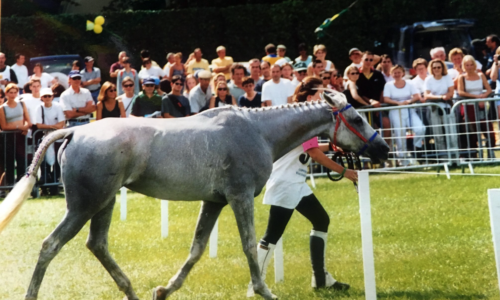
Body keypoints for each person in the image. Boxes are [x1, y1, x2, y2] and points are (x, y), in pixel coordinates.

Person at [250, 77, 354, 296]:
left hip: (295, 183)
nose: (324, 101)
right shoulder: (303, 120)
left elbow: (309, 147)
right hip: (286, 183)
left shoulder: (303, 119)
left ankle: (320, 278)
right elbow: (313, 153)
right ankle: (254, 287)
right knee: (271, 236)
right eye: (320, 96)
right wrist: (346, 173)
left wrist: (334, 146)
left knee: (321, 220)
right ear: (310, 98)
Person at [383, 65, 425, 166]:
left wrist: (408, 101)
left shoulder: (409, 83)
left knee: (420, 128)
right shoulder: (388, 85)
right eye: (395, 73)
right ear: (392, 74)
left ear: (403, 73)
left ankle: (415, 147)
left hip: (409, 110)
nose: (397, 74)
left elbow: (416, 96)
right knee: (400, 135)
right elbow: (386, 99)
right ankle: (403, 162)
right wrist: (398, 103)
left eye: (399, 72)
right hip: (395, 111)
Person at [457, 55, 494, 158]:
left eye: (471, 64)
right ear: (464, 66)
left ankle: (491, 153)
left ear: (474, 64)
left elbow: (489, 89)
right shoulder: (462, 77)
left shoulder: (481, 75)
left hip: (481, 106)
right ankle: (474, 155)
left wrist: (483, 97)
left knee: (488, 129)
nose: (469, 67)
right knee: (471, 131)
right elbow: (461, 92)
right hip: (468, 107)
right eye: (467, 65)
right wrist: (476, 97)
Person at [33, 88, 65, 195]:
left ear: (52, 96)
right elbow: (39, 125)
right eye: (45, 96)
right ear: (41, 98)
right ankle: (45, 187)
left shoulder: (58, 107)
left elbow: (61, 124)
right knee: (44, 163)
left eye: (49, 96)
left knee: (57, 162)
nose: (47, 98)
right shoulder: (39, 108)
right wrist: (53, 126)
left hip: (57, 138)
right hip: (45, 138)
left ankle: (54, 186)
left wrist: (48, 127)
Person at [424, 59, 458, 154]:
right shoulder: (428, 79)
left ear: (442, 67)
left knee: (451, 133)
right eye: (434, 67)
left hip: (447, 107)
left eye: (439, 67)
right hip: (434, 108)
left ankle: (454, 156)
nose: (436, 69)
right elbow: (426, 95)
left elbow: (451, 92)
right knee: (438, 134)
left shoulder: (447, 77)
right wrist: (441, 97)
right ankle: (443, 157)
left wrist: (447, 96)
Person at [0, 83, 31, 185]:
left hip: (21, 136)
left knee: (22, 162)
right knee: (10, 164)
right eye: (11, 92)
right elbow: (4, 126)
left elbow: (28, 121)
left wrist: (25, 127)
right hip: (8, 137)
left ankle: (21, 185)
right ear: (6, 93)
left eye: (15, 92)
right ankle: (10, 186)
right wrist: (19, 127)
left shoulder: (22, 104)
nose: (13, 95)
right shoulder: (2, 108)